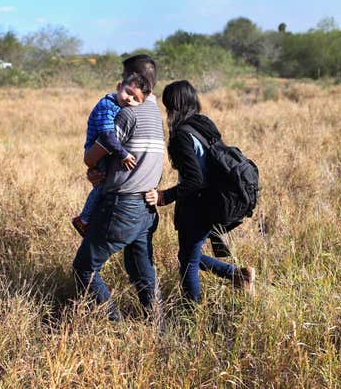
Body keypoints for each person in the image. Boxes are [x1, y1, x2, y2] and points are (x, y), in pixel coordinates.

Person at [72, 55, 164, 322]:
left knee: (84, 268)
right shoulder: (155, 113)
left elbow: (91, 157)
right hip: (147, 206)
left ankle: (116, 328)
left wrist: (92, 167)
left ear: (135, 81)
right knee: (141, 271)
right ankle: (159, 329)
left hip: (122, 205)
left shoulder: (126, 113)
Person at [145, 80, 255, 303]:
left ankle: (192, 313)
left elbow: (195, 179)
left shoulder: (181, 136)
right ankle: (237, 274)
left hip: (198, 205)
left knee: (188, 263)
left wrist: (165, 196)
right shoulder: (203, 124)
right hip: (215, 200)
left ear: (172, 106)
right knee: (189, 256)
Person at [71, 72, 152, 237]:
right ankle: (84, 219)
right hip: (98, 150)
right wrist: (123, 154)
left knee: (105, 185)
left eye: (136, 99)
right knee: (102, 186)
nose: (130, 99)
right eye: (128, 92)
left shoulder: (121, 107)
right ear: (118, 86)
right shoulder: (107, 105)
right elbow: (107, 135)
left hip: (107, 151)